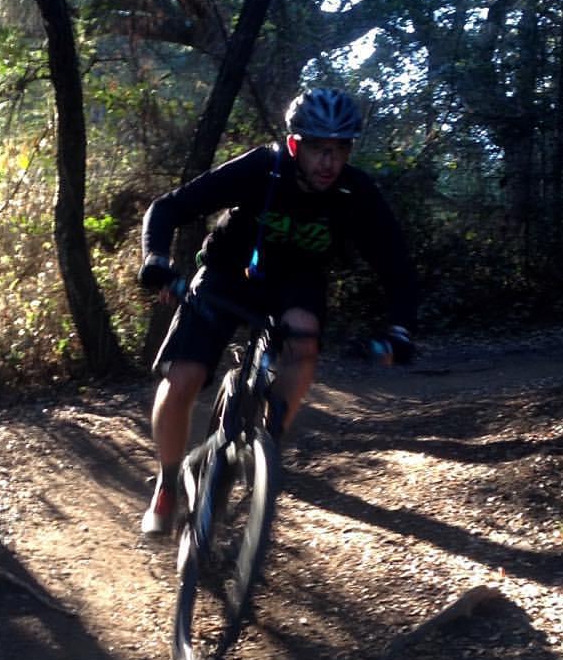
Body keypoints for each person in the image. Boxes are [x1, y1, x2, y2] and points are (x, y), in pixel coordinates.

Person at [137, 86, 419, 536]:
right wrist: (156, 260)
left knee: (304, 340)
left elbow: (397, 265)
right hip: (229, 272)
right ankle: (168, 483)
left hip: (297, 282)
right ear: (294, 144)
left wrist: (400, 328)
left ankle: (263, 443)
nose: (329, 162)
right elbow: (169, 208)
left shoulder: (355, 192)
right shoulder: (261, 168)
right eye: (318, 149)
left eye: (340, 149)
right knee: (184, 377)